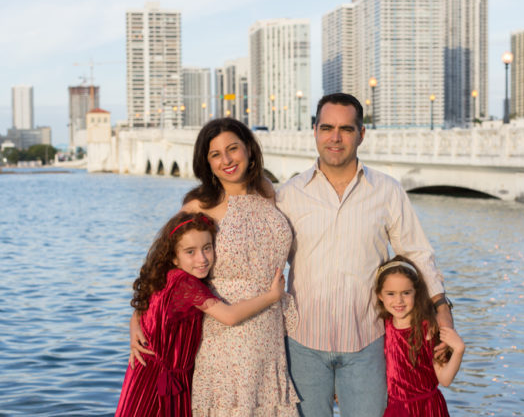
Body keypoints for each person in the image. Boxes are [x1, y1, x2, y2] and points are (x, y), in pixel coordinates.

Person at [276, 93, 454, 416]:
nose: (335, 137)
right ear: (314, 130)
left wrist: (442, 308)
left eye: (346, 129)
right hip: (303, 343)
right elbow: (263, 263)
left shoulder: (387, 190)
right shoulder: (289, 194)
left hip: (367, 341)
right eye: (327, 127)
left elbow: (417, 253)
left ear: (361, 134)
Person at [130, 118, 299, 416]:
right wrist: (138, 318)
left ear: (249, 149)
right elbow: (161, 264)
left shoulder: (266, 190)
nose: (227, 160)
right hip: (224, 334)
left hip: (271, 329)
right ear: (206, 163)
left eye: (232, 149)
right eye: (215, 154)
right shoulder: (200, 204)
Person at [116, 211, 287, 416]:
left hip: (142, 373)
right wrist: (271, 296)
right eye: (190, 252)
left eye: (207, 248)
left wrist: (133, 326)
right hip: (164, 381)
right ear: (174, 257)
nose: (202, 259)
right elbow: (229, 316)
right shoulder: (186, 284)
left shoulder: (164, 276)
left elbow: (141, 310)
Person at [375, 256, 465, 417]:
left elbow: (445, 380)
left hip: (428, 409)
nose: (399, 300)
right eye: (391, 293)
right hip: (396, 409)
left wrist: (459, 350)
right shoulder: (381, 326)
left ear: (417, 293)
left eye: (406, 293)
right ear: (380, 296)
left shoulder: (428, 329)